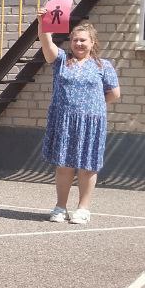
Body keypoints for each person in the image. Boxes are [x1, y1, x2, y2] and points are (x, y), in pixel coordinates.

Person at [38, 19, 120, 225]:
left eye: (83, 40)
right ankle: (60, 207)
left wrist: (92, 107)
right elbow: (46, 44)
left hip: (91, 123)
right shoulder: (61, 60)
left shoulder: (103, 66)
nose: (79, 44)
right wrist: (43, 24)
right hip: (64, 121)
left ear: (92, 42)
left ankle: (83, 209)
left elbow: (114, 94)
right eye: (75, 40)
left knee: (87, 166)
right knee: (64, 166)